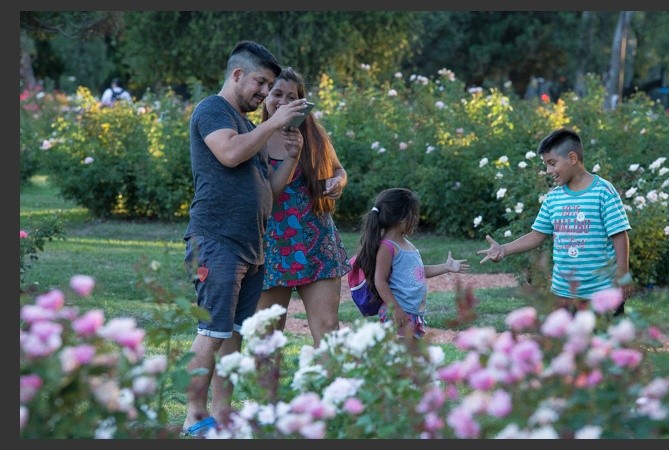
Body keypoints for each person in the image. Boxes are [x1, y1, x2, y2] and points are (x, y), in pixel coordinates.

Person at [181, 40, 309, 436]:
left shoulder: (247, 125)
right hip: (216, 240)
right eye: (261, 83)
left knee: (234, 335)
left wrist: (290, 155)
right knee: (213, 330)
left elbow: (267, 188)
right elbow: (229, 155)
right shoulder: (212, 110)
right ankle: (192, 418)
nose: (264, 94)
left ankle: (222, 416)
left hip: (251, 247)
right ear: (237, 75)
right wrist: (273, 124)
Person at [477, 127, 632, 316]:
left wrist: (623, 273)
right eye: (546, 165)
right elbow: (536, 235)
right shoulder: (553, 198)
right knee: (569, 345)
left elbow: (619, 234)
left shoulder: (603, 191)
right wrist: (503, 249)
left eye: (552, 163)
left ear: (572, 158)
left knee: (604, 344)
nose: (548, 170)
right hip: (563, 293)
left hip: (602, 293)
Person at [257, 67, 351, 347]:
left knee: (328, 328)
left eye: (292, 96)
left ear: (302, 101)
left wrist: (337, 182)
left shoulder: (314, 134)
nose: (284, 102)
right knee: (268, 335)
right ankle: (269, 393)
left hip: (316, 242)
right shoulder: (254, 137)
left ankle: (330, 390)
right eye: (277, 94)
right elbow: (264, 195)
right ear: (265, 96)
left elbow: (339, 170)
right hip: (273, 245)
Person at [353, 187, 470, 339]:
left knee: (411, 358)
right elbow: (379, 281)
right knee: (401, 358)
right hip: (399, 314)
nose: (416, 220)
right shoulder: (387, 247)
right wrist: (395, 309)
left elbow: (418, 271)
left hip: (413, 313)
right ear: (401, 218)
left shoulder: (407, 244)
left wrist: (446, 267)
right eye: (413, 215)